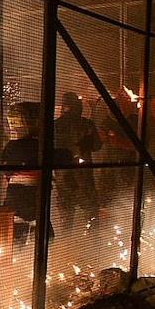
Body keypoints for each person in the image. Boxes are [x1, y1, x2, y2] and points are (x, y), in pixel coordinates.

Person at [1, 102, 71, 246]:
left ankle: (16, 261)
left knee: (16, 239)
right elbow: (64, 157)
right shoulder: (39, 147)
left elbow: (6, 168)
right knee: (45, 240)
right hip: (33, 198)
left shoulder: (11, 146)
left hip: (14, 198)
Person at [54, 92, 101, 233]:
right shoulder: (86, 124)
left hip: (62, 178)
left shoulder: (54, 125)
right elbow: (97, 145)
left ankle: (66, 248)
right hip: (83, 177)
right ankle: (92, 245)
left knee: (66, 219)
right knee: (91, 216)